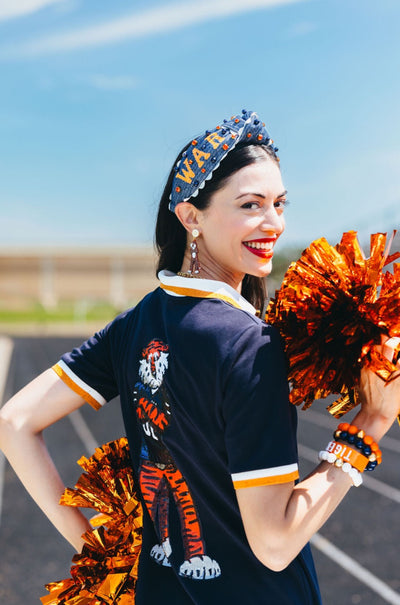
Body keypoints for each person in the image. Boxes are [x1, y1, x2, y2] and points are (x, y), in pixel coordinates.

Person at [0, 110, 399, 605]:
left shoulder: (137, 322)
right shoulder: (249, 344)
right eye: (250, 205)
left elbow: (14, 421)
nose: (273, 222)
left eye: (279, 203)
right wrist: (371, 422)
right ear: (191, 216)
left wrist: (98, 551)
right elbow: (275, 544)